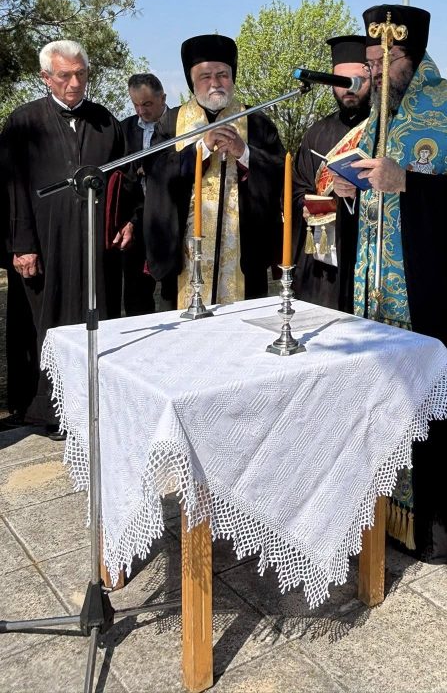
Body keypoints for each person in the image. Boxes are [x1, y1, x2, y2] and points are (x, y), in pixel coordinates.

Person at [348, 4, 447, 563]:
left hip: (435, 301)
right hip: (379, 304)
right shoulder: (379, 116)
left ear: (410, 57)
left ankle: (440, 531)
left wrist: (407, 181)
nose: (374, 74)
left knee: (437, 415)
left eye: (383, 62)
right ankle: (387, 520)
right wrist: (353, 190)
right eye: (369, 63)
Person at [0, 40, 132, 433]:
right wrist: (21, 245)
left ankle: (95, 402)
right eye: (64, 75)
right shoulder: (22, 122)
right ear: (46, 78)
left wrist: (126, 220)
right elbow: (10, 189)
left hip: (95, 245)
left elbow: (122, 180)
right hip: (44, 243)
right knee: (45, 323)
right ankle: (44, 409)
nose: (74, 83)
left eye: (81, 74)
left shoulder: (105, 121)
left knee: (96, 318)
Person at [143, 34, 284, 306]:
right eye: (205, 76)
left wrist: (244, 152)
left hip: (244, 259)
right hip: (186, 260)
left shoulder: (256, 122)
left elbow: (279, 172)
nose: (215, 83)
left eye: (222, 74)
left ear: (233, 77)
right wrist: (202, 149)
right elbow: (158, 175)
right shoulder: (171, 123)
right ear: (191, 81)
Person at [292, 36, 371, 311]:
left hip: (369, 251)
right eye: (340, 82)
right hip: (326, 254)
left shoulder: (385, 130)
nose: (348, 89)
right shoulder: (316, 133)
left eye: (357, 80)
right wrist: (324, 199)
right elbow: (295, 192)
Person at [120, 73, 177, 314]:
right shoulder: (125, 129)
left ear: (163, 98)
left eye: (147, 104)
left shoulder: (179, 125)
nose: (141, 111)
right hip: (137, 221)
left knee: (172, 293)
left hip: (169, 220)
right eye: (135, 104)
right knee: (136, 294)